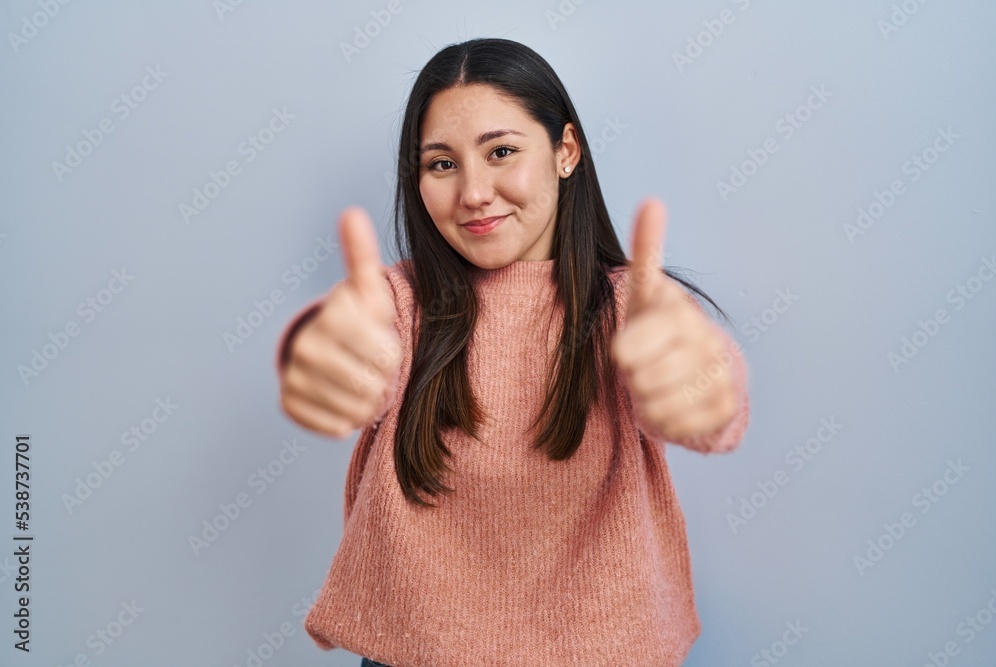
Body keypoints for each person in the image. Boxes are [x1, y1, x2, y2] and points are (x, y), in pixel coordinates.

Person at [275, 37, 750, 667]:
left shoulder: (633, 307)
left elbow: (710, 396)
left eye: (501, 152)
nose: (473, 192)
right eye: (441, 164)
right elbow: (336, 340)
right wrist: (313, 358)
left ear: (566, 151)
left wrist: (703, 387)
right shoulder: (398, 302)